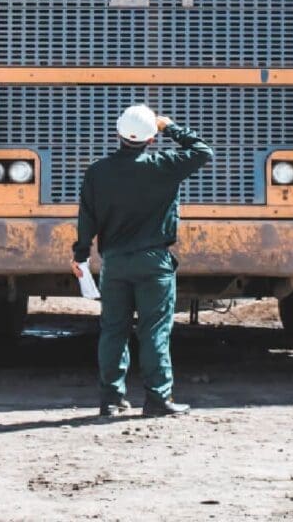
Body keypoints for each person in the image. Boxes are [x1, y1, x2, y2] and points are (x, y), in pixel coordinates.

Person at [71, 104, 213, 418]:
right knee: (154, 332)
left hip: (116, 263)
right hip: (154, 262)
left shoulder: (98, 172)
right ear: (151, 140)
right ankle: (158, 400)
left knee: (113, 331)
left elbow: (87, 219)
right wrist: (172, 127)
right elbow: (203, 151)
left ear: (118, 134)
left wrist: (80, 255)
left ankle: (110, 400)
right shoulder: (164, 165)